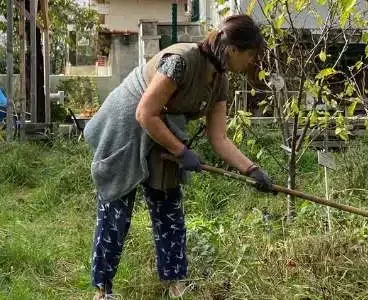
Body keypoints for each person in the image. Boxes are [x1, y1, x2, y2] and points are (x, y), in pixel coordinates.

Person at [83, 14, 278, 299]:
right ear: (234, 49)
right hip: (125, 125)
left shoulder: (219, 80)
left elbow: (219, 138)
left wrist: (252, 170)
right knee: (117, 211)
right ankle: (102, 290)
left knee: (169, 208)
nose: (251, 62)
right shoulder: (182, 61)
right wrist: (182, 151)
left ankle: (176, 285)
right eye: (250, 54)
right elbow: (143, 113)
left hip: (162, 127)